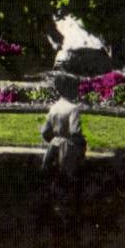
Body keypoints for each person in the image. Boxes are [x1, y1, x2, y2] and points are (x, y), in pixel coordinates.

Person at [40, 73, 87, 209]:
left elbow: (45, 131)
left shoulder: (54, 108)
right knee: (69, 177)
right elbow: (74, 131)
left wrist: (54, 140)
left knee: (55, 176)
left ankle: (54, 204)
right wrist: (82, 143)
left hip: (54, 145)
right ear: (70, 90)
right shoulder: (73, 109)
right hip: (68, 147)